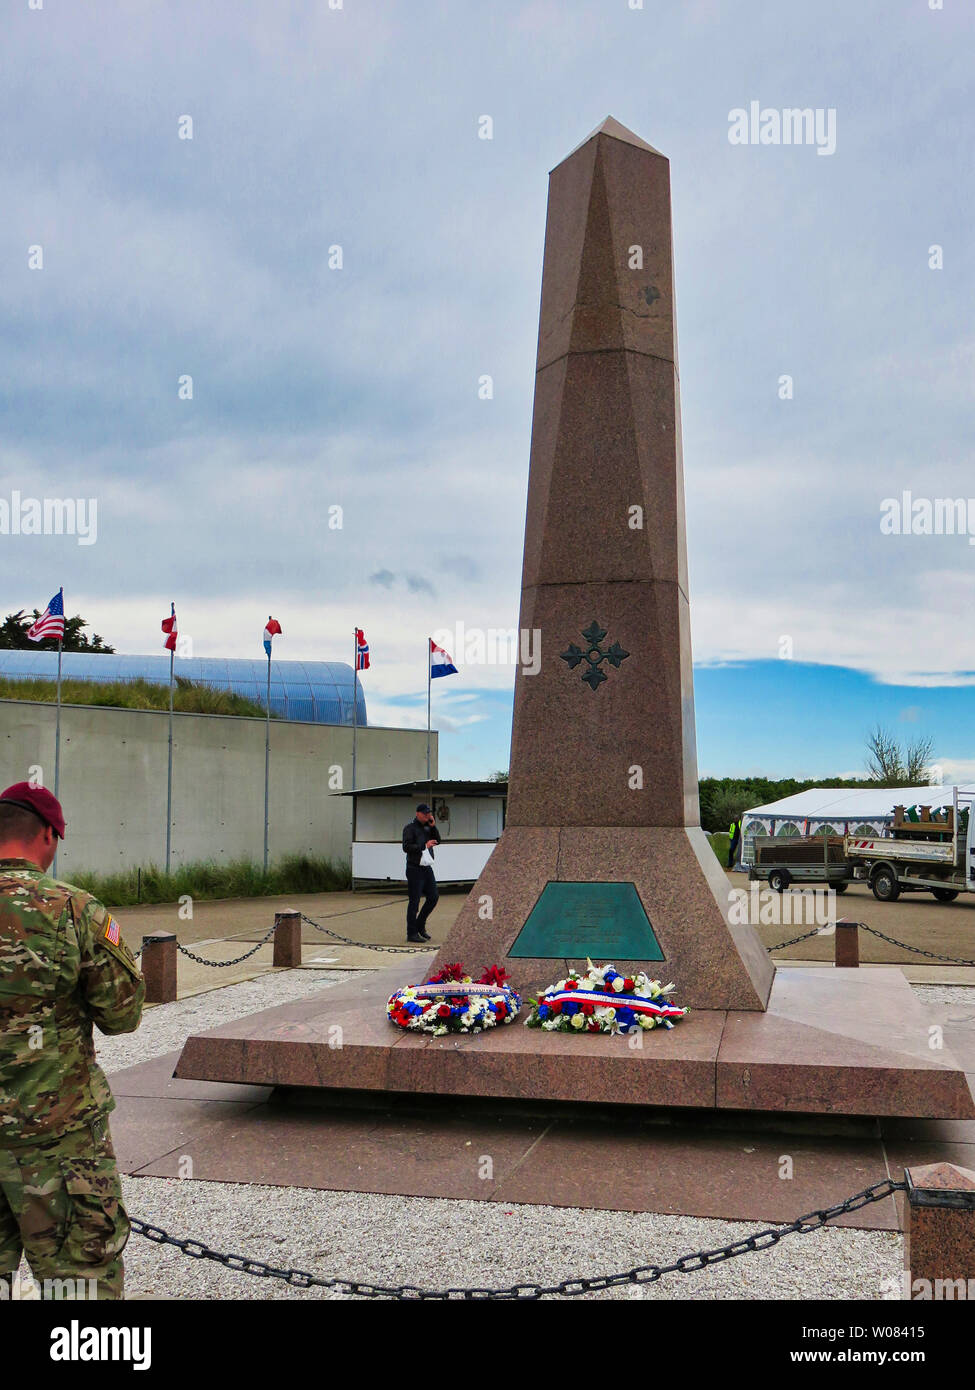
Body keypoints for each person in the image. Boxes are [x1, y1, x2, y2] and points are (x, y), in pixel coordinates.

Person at [0, 782, 145, 1301]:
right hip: (60, 1145)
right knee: (78, 1293)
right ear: (47, 834)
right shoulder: (74, 910)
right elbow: (123, 1015)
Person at [402, 802, 441, 943]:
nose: (427, 816)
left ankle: (420, 925)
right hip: (414, 868)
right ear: (417, 813)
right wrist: (424, 846)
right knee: (415, 901)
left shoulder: (427, 827)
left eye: (429, 813)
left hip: (426, 867)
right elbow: (406, 847)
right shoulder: (409, 828)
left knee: (433, 897)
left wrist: (433, 826)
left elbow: (438, 841)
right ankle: (411, 933)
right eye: (425, 814)